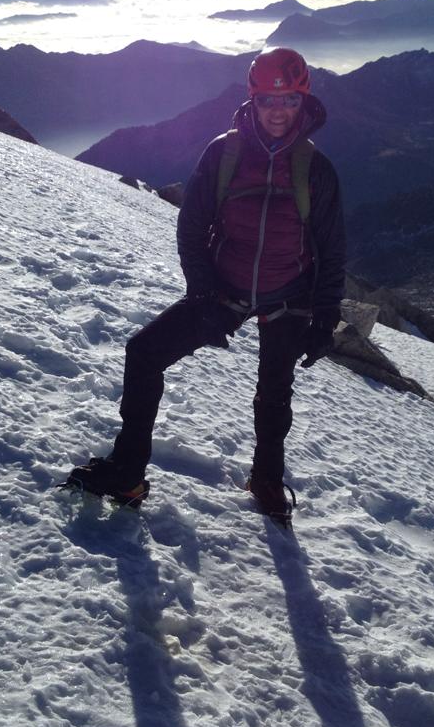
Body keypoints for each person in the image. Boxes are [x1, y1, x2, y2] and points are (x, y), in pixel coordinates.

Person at [65, 47, 346, 522]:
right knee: (144, 353)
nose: (278, 111)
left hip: (289, 295)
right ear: (253, 99)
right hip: (223, 288)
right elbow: (192, 226)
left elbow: (332, 248)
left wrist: (325, 318)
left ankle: (267, 480)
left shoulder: (315, 169)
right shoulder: (224, 153)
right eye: (268, 100)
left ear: (304, 102)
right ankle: (127, 472)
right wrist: (202, 290)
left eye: (290, 101)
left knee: (275, 392)